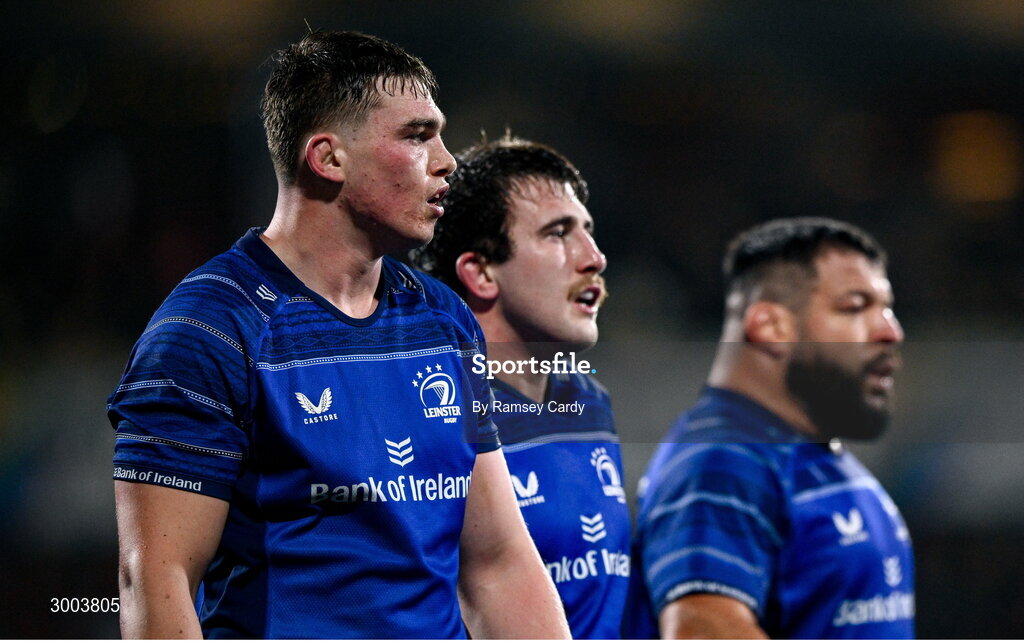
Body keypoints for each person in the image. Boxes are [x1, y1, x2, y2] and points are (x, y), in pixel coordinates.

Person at [107, 31, 569, 639]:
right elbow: (156, 578)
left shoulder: (442, 319)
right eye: (416, 135)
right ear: (328, 159)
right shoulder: (208, 330)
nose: (447, 159)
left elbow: (496, 564)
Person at [624, 217, 914, 639]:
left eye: (886, 308)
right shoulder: (724, 462)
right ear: (770, 326)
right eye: (855, 306)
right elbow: (701, 631)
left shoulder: (799, 452)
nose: (890, 330)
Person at [413, 135, 630, 638]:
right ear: (482, 272)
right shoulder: (434, 416)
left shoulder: (589, 401)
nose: (593, 257)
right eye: (558, 234)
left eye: (588, 231)